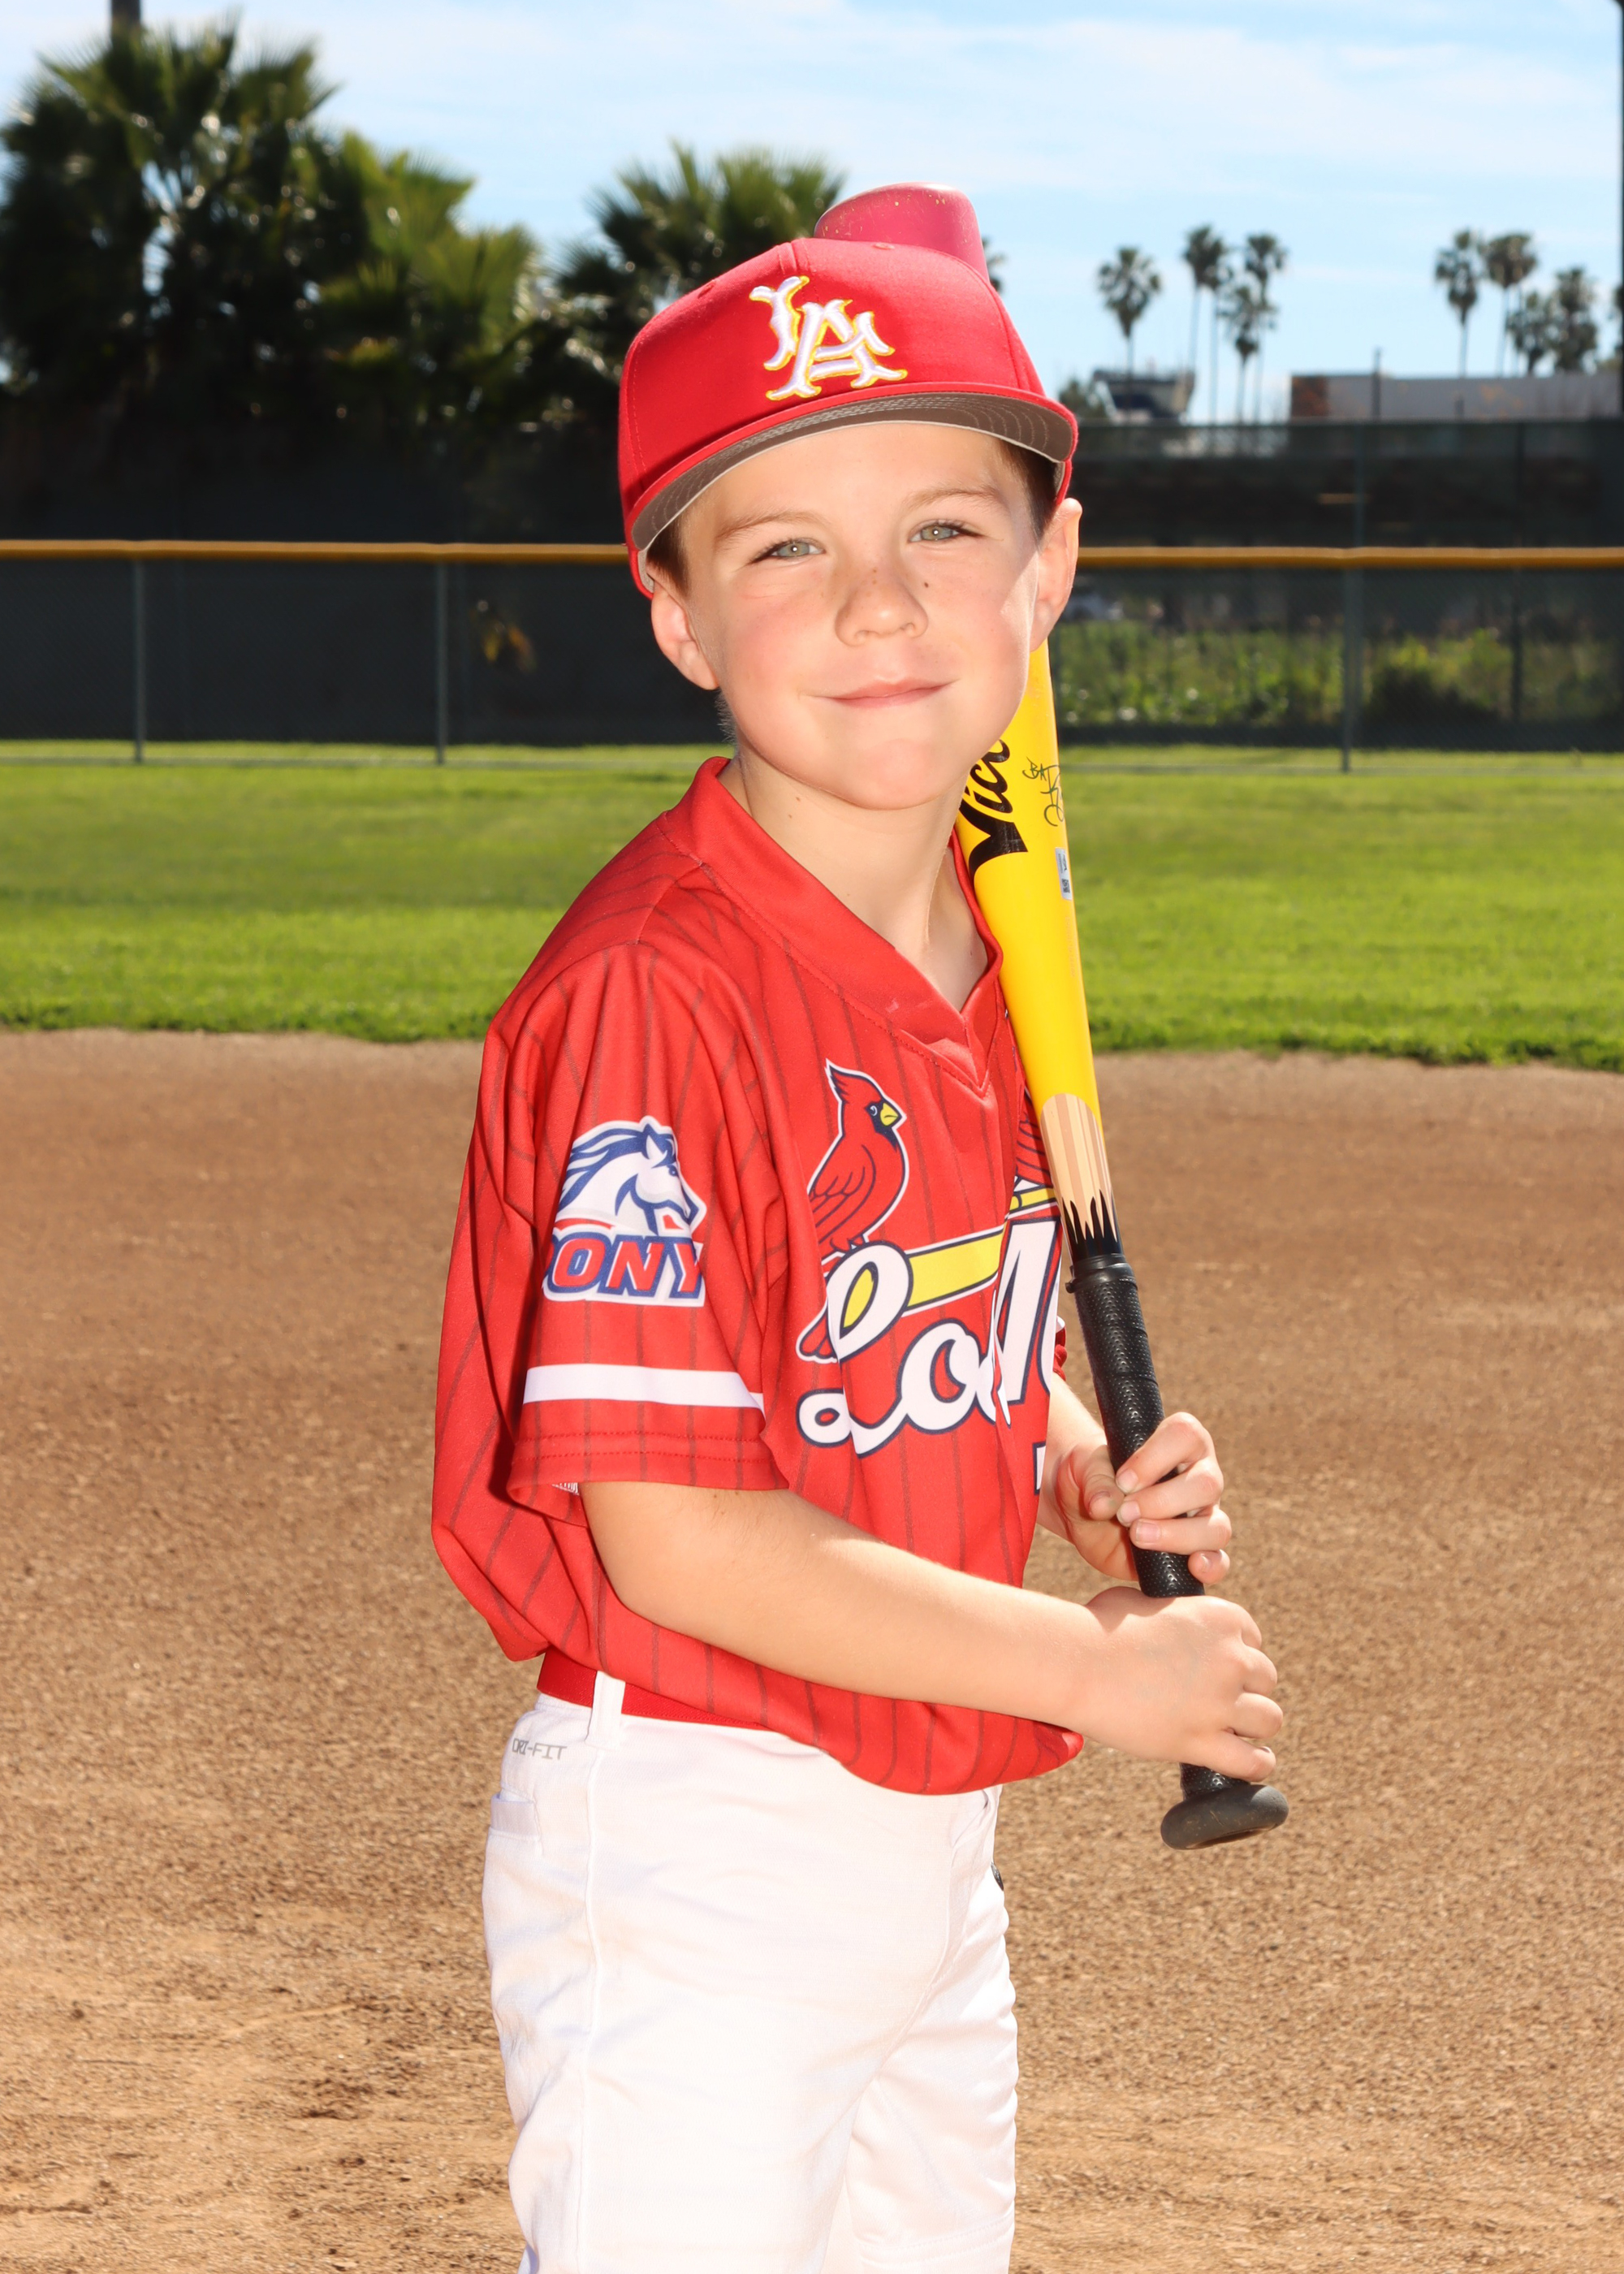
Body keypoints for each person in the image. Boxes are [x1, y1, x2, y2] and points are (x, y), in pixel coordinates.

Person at [432, 183, 1281, 2274]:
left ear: (1050, 565)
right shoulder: (662, 993)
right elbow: (682, 1535)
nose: (880, 604)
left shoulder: (989, 952)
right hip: (701, 1837)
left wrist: (1056, 1445)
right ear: (675, 611)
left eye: (944, 529)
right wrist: (1098, 1661)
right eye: (785, 547)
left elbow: (882, 1295)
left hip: (925, 1837)